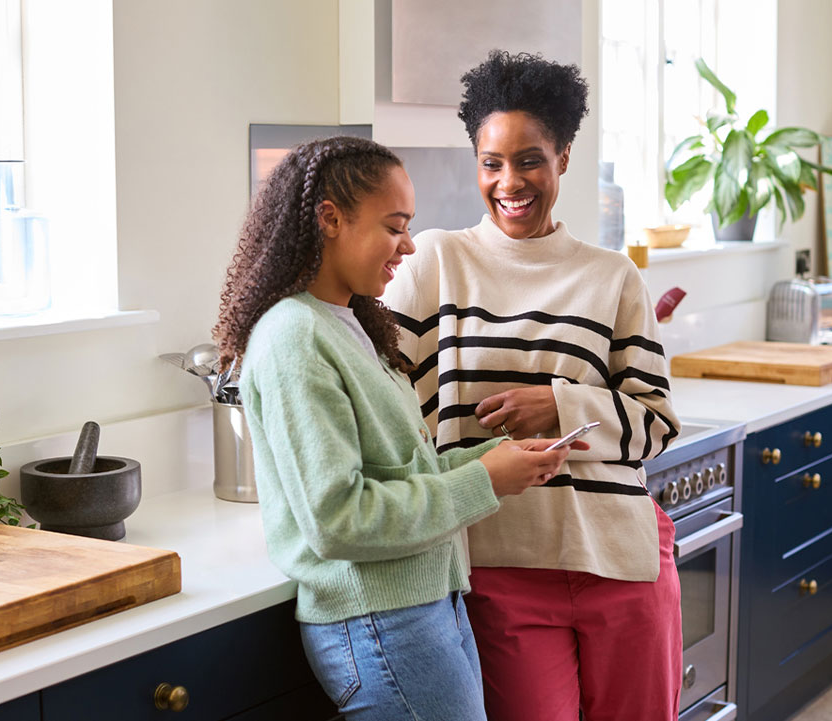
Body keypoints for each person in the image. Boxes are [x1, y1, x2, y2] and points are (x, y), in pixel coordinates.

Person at [214, 135, 581, 721]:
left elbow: (399, 474)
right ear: (330, 219)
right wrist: (483, 480)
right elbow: (339, 519)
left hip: (422, 609)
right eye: (394, 226)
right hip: (381, 624)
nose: (409, 245)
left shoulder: (348, 322)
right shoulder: (293, 336)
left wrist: (498, 459)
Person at [382, 52, 684, 721]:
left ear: (565, 157)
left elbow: (657, 423)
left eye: (530, 159)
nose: (510, 181)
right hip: (500, 564)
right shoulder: (435, 262)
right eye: (492, 162)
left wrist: (561, 403)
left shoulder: (613, 277)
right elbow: (380, 394)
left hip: (621, 557)